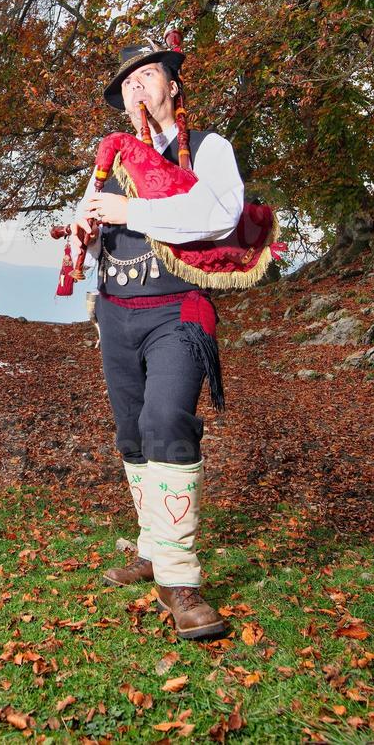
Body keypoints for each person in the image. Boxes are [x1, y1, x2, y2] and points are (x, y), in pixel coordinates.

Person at [70, 37, 245, 640]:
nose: (137, 88)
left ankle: (179, 581)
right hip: (115, 313)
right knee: (131, 433)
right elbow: (91, 244)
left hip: (180, 309)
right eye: (127, 84)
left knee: (167, 421)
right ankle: (151, 548)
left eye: (146, 75)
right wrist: (81, 232)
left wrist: (128, 212)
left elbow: (219, 214)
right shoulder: (107, 164)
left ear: (171, 83)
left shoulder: (208, 149)